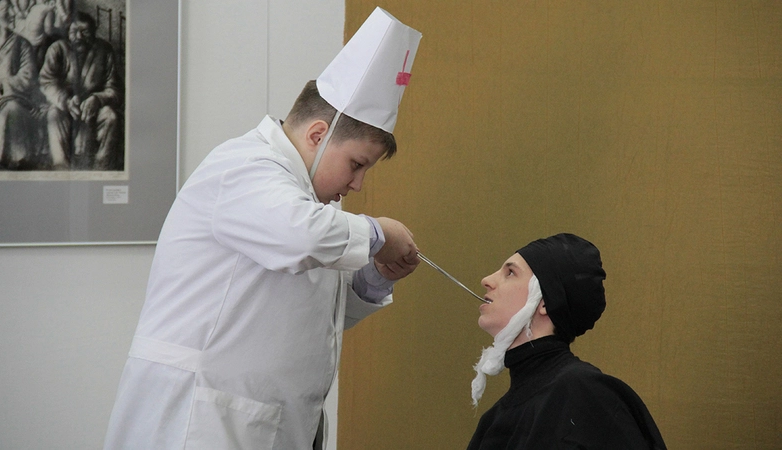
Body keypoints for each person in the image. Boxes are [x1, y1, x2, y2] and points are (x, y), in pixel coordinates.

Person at [103, 7, 422, 450]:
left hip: (264, 422)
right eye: (356, 164)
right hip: (197, 421)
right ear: (317, 135)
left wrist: (372, 280)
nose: (357, 184)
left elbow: (310, 318)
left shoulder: (302, 204)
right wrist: (379, 234)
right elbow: (303, 236)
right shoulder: (245, 166)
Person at [467, 233, 666, 449]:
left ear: (545, 302)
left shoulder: (584, 393)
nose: (487, 280)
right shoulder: (493, 420)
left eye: (510, 273)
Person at [39, 11, 121, 169]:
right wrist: (66, 101)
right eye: (74, 31)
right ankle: (61, 168)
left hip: (95, 109)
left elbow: (114, 88)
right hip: (64, 107)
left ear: (94, 32)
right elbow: (46, 82)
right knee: (53, 114)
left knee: (111, 116)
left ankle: (102, 169)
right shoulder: (57, 49)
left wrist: (98, 99)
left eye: (85, 32)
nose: (79, 37)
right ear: (67, 32)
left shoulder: (104, 50)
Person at [0, 0, 42, 170]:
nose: (12, 13)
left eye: (12, 9)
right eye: (5, 9)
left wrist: (1, 85)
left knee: (11, 110)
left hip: (13, 98)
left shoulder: (22, 44)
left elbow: (28, 78)